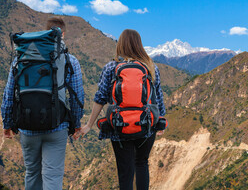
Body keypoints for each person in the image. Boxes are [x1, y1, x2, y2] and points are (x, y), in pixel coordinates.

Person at [75, 29, 166, 190]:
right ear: (140, 45)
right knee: (142, 163)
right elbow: (158, 98)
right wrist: (160, 122)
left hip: (120, 126)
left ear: (120, 45)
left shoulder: (111, 67)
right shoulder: (151, 67)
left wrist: (89, 125)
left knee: (125, 171)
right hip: (146, 125)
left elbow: (100, 98)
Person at [1, 17, 85, 190]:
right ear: (62, 34)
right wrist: (76, 123)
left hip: (27, 126)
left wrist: (7, 123)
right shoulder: (70, 60)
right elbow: (77, 96)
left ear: (46, 32)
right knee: (52, 176)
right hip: (57, 126)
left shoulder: (21, 58)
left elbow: (9, 93)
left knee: (32, 173)